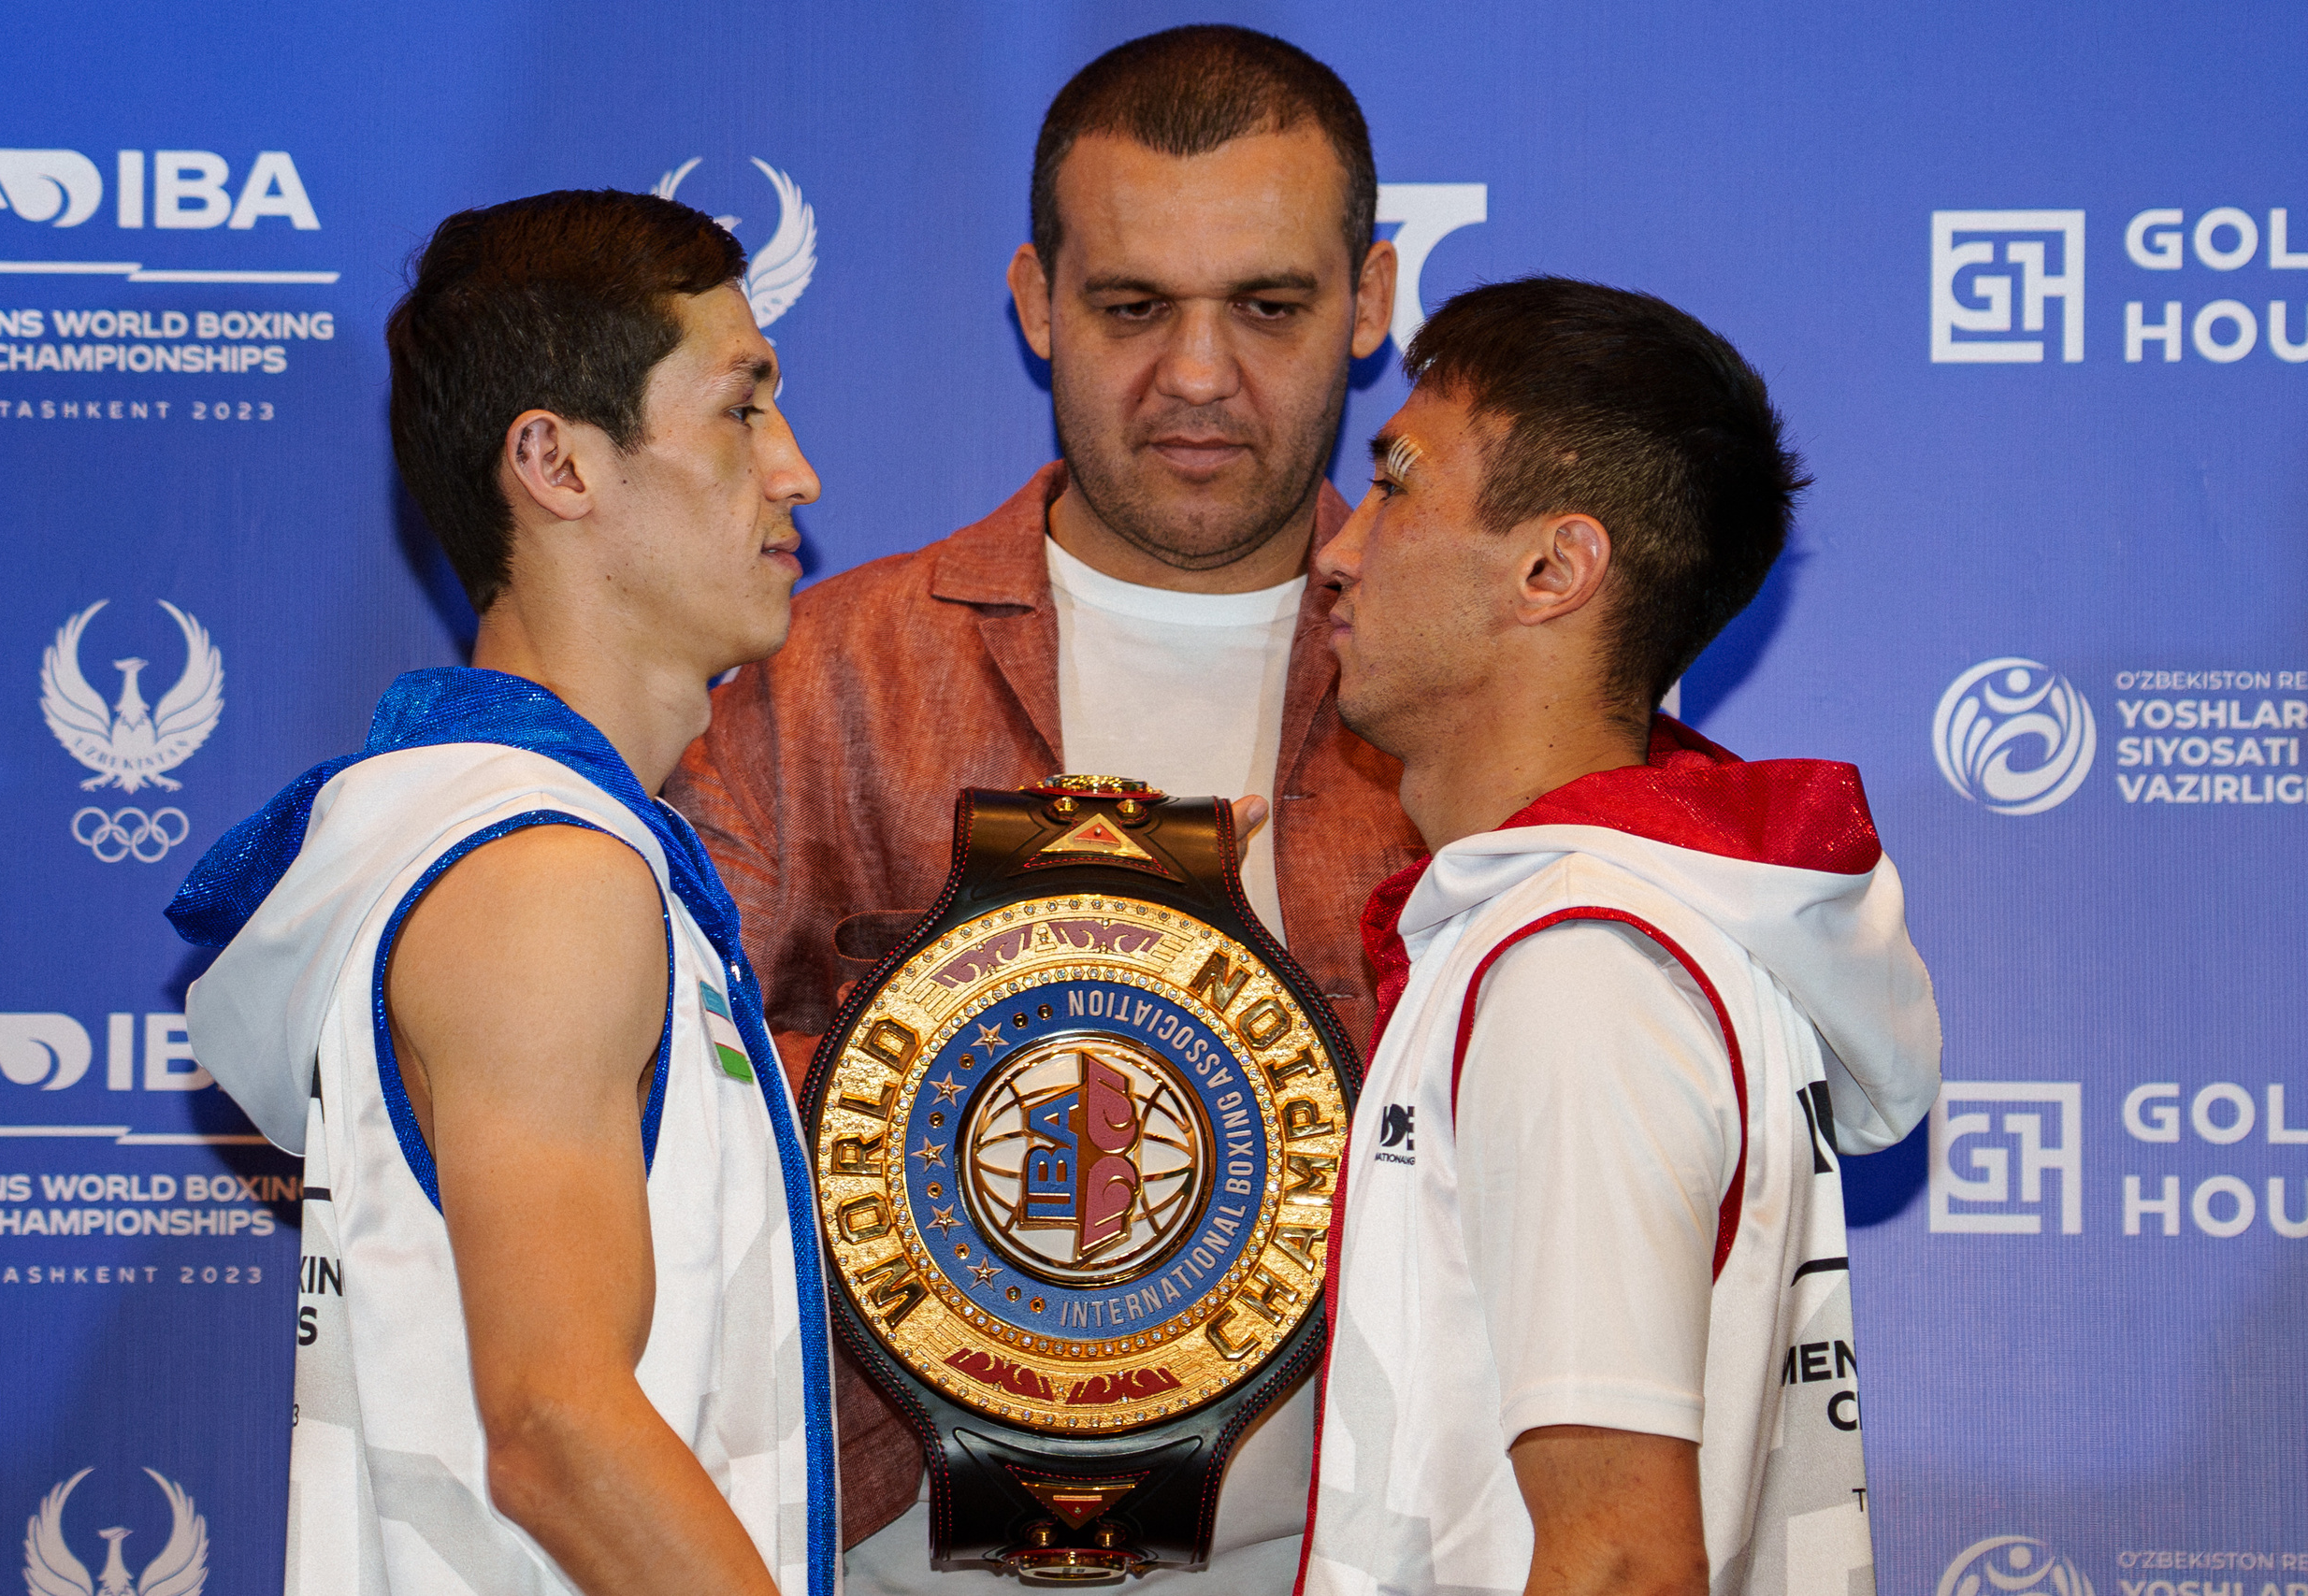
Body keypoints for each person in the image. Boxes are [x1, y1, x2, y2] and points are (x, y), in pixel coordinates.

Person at [666, 23, 1424, 1589]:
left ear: (1369, 302)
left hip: (1363, 1559)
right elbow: (638, 1079)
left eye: (1269, 306)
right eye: (1134, 307)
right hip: (904, 1562)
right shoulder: (829, 675)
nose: (1197, 374)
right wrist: (917, 1095)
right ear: (1036, 301)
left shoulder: (1476, 694)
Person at [166, 190, 836, 1596]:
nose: (798, 472)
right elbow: (556, 1430)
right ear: (556, 463)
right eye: (741, 410)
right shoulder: (545, 878)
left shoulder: (528, 848)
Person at [1297, 278, 1942, 1596]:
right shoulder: (1605, 930)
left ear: (1554, 570)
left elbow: (1624, 1564)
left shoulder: (1580, 970)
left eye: (1397, 485)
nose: (1339, 552)